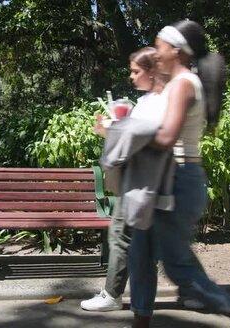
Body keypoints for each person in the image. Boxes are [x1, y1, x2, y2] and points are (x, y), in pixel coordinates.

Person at [126, 20, 230, 328]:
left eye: (160, 45)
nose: (156, 51)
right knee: (139, 256)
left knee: (179, 268)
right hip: (163, 178)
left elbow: (166, 138)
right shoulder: (177, 83)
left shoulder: (183, 84)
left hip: (177, 179)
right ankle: (140, 323)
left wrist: (124, 131)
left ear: (176, 50)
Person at [81, 47, 168, 311]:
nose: (131, 76)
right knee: (130, 239)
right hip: (138, 178)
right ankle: (129, 299)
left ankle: (114, 296)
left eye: (136, 71)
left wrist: (115, 128)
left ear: (152, 71)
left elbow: (146, 139)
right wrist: (109, 131)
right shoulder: (145, 101)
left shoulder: (158, 102)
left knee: (122, 235)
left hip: (145, 180)